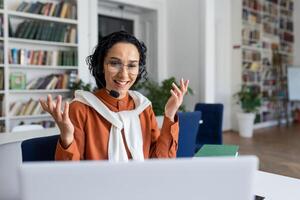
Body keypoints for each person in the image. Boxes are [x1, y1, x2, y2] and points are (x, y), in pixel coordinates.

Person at [40, 31, 189, 161]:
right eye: (114, 63)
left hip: (141, 188)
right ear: (101, 66)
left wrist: (169, 115)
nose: (124, 74)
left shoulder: (143, 107)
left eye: (132, 65)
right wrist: (67, 137)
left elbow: (159, 162)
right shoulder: (80, 109)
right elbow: (69, 176)